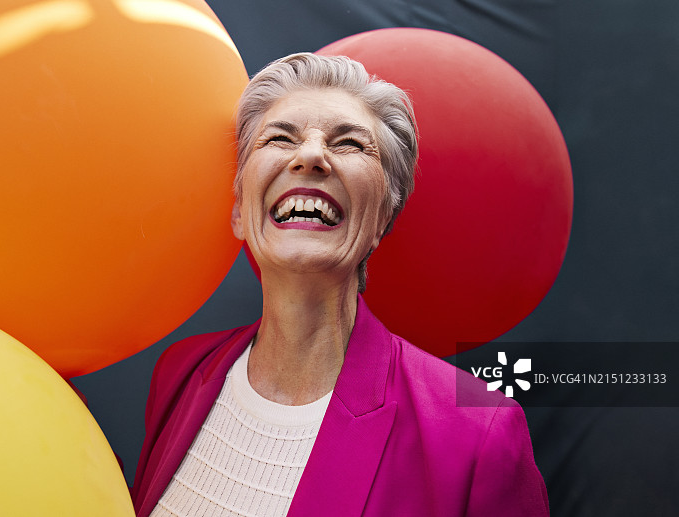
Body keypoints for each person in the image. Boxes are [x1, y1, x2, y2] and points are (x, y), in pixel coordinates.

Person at [131, 53, 549, 517]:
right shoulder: (181, 372)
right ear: (237, 211)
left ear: (382, 219)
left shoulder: (477, 432)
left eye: (349, 144)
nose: (310, 156)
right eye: (279, 138)